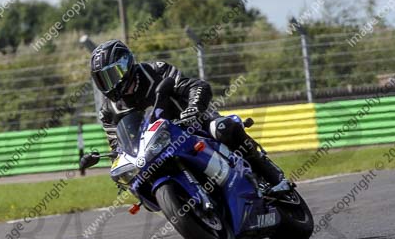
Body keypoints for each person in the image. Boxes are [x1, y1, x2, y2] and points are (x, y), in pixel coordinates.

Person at [89, 39, 291, 196]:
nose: (110, 84)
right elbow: (117, 145)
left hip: (192, 125)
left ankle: (271, 176)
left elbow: (197, 86)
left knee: (223, 128)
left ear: (126, 64)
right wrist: (116, 160)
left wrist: (193, 109)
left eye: (112, 75)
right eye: (103, 79)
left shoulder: (156, 71)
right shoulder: (108, 110)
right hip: (155, 149)